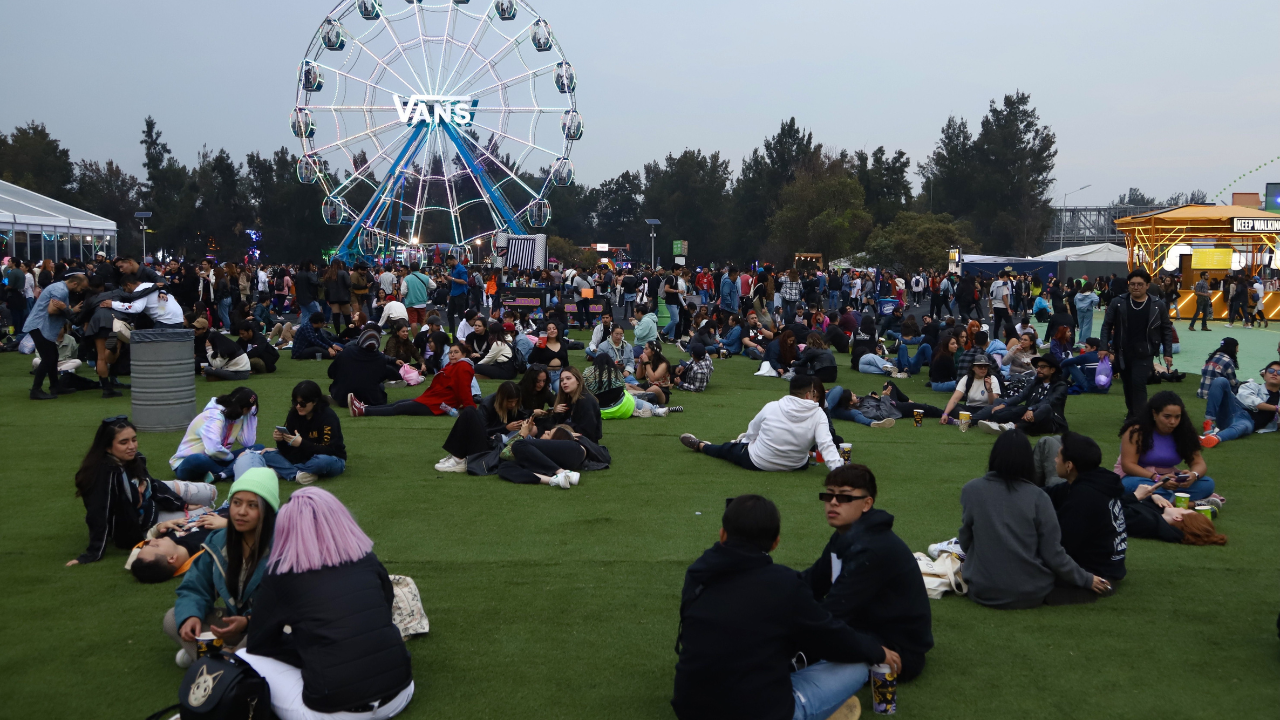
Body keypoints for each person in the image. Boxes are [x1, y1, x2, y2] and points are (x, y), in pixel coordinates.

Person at [671, 494, 896, 720]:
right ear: (775, 543)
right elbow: (832, 638)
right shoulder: (784, 584)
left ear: (722, 535)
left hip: (690, 709)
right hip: (763, 711)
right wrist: (876, 650)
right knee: (857, 664)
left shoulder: (697, 573)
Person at [238, 487, 414, 720]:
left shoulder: (282, 573)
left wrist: (312, 644)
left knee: (244, 657)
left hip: (337, 712)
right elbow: (384, 609)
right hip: (400, 693)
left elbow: (260, 645)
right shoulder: (366, 558)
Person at [800, 465, 933, 681]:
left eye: (844, 497)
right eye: (829, 495)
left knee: (801, 642)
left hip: (897, 651)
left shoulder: (872, 549)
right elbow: (813, 581)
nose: (833, 502)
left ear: (867, 503)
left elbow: (832, 613)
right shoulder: (846, 535)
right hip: (864, 628)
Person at [958, 430, 1112, 609]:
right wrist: (1087, 579)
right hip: (1031, 592)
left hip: (982, 589)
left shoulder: (972, 490)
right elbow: (1053, 553)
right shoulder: (1039, 497)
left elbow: (965, 541)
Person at [167, 468, 278, 667]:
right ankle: (224, 660)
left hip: (264, 626)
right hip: (232, 625)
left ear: (267, 511)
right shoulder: (219, 541)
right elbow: (195, 587)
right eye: (236, 503)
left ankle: (214, 661)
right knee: (174, 617)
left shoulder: (284, 547)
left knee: (268, 633)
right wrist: (191, 615)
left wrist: (248, 622)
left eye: (252, 505)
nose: (241, 512)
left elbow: (285, 607)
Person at [67, 416, 210, 566]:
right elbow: (99, 513)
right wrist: (93, 553)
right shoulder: (106, 474)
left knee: (209, 492)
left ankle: (186, 507)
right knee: (204, 514)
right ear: (107, 447)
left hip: (150, 499)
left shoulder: (135, 458)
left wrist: (182, 505)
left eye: (133, 440)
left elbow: (153, 485)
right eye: (124, 442)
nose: (132, 446)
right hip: (143, 519)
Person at [679, 374, 843, 472]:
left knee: (727, 450)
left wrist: (742, 445)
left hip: (759, 462)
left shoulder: (772, 407)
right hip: (796, 465)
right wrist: (839, 470)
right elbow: (826, 445)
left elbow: (751, 433)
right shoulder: (818, 414)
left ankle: (701, 445)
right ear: (808, 394)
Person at [1046, 432, 1128, 584]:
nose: (1055, 460)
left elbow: (1062, 545)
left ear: (1069, 465)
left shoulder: (1084, 496)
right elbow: (1046, 495)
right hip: (1111, 565)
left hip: (1095, 571)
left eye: (1058, 457)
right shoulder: (1097, 481)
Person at [235, 380, 347, 484]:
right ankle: (297, 474)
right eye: (295, 402)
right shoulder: (294, 414)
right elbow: (286, 450)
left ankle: (284, 470)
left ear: (315, 401)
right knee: (267, 453)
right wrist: (280, 440)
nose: (298, 406)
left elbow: (329, 449)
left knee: (321, 462)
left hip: (330, 458)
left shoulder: (328, 417)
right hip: (300, 456)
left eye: (302, 403)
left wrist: (301, 443)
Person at [1098, 269, 1174, 419]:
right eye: (1132, 284)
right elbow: (1107, 325)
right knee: (1127, 385)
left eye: (1140, 284)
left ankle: (1140, 418)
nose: (1136, 287)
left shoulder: (1157, 304)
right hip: (1123, 351)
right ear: (1128, 285)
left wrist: (1168, 353)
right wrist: (1103, 348)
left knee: (1138, 383)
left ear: (1147, 286)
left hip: (1145, 351)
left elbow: (1166, 328)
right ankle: (1132, 413)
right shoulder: (1118, 302)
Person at [1118, 391, 1217, 503]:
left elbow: (1198, 463)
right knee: (1128, 485)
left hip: (1170, 480)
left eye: (1177, 417)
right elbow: (1128, 465)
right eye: (1167, 417)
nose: (1173, 422)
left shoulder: (1184, 432)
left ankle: (1163, 500)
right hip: (1141, 478)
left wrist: (1193, 475)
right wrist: (1157, 478)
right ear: (1154, 414)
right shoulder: (1136, 431)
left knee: (1207, 484)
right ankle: (1188, 504)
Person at [350, 343, 476, 417]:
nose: (452, 355)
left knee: (399, 408)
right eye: (450, 352)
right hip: (435, 401)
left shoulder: (463, 367)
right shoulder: (454, 365)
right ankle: (364, 407)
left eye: (456, 352)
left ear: (463, 355)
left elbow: (464, 389)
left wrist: (469, 407)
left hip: (438, 404)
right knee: (398, 404)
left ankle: (363, 410)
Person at [23, 269, 90, 399]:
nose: (80, 292)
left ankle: (55, 386)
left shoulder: (58, 287)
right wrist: (70, 310)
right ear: (75, 284)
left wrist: (68, 308)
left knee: (53, 355)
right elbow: (52, 310)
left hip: (40, 326)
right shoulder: (61, 290)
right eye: (81, 289)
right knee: (48, 358)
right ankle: (36, 390)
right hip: (40, 326)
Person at [170, 387, 261, 482]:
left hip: (217, 459)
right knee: (198, 458)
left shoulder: (237, 416)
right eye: (250, 408)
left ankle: (221, 474)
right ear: (244, 408)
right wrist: (231, 458)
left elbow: (248, 443)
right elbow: (213, 450)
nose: (251, 410)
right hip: (187, 463)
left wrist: (250, 415)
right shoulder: (214, 416)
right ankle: (228, 472)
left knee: (257, 448)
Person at [434, 381, 529, 472]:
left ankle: (459, 458)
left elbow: (525, 417)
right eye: (510, 402)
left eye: (515, 401)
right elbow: (483, 431)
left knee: (469, 411)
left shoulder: (516, 407)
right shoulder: (487, 404)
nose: (513, 404)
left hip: (495, 445)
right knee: (469, 411)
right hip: (488, 440)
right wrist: (505, 428)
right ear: (502, 399)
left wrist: (527, 422)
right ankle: (457, 456)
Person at [974, 355, 1069, 436]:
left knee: (1045, 407)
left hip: (1050, 420)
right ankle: (992, 421)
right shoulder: (1035, 382)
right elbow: (1020, 396)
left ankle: (1013, 426)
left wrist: (1032, 409)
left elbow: (1049, 401)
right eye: (1038, 367)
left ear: (1052, 370)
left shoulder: (1061, 386)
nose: (1038, 370)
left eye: (1042, 367)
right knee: (999, 402)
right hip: (1029, 418)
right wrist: (1005, 404)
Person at [1200, 360, 1280, 448]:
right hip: (1233, 409)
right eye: (1271, 371)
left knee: (1243, 426)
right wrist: (1276, 409)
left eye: (1279, 372)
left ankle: (1214, 438)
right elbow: (1252, 402)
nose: (1275, 374)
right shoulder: (1252, 386)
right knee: (1220, 381)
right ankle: (1209, 422)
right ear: (1264, 376)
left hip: (1248, 421)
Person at [329, 326, 401, 409]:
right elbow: (379, 378)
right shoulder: (380, 358)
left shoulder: (347, 351)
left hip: (342, 397)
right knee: (380, 386)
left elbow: (331, 373)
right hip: (370, 399)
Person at [584, 352, 669, 418]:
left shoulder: (587, 372)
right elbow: (623, 388)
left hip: (599, 410)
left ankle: (655, 407)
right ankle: (655, 409)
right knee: (633, 399)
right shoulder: (615, 371)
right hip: (622, 408)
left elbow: (583, 389)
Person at [539, 366, 603, 442]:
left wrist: (565, 427)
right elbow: (553, 425)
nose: (564, 382)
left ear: (578, 381)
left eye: (568, 378)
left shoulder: (586, 401)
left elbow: (587, 432)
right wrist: (556, 413)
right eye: (562, 380)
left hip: (584, 444)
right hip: (570, 440)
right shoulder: (568, 399)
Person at [940, 354, 1002, 425]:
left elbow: (993, 403)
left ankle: (965, 421)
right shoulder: (966, 379)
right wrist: (945, 414)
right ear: (973, 368)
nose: (983, 369)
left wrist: (989, 390)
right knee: (951, 407)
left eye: (985, 366)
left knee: (994, 410)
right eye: (980, 367)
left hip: (986, 408)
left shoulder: (992, 379)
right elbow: (955, 399)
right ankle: (975, 420)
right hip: (969, 409)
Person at [528, 320, 569, 391]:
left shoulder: (562, 344)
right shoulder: (540, 344)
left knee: (562, 392)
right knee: (546, 394)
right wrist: (536, 348)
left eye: (554, 328)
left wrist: (567, 374)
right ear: (545, 332)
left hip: (559, 374)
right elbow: (530, 360)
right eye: (549, 329)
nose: (552, 331)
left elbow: (566, 362)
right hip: (545, 375)